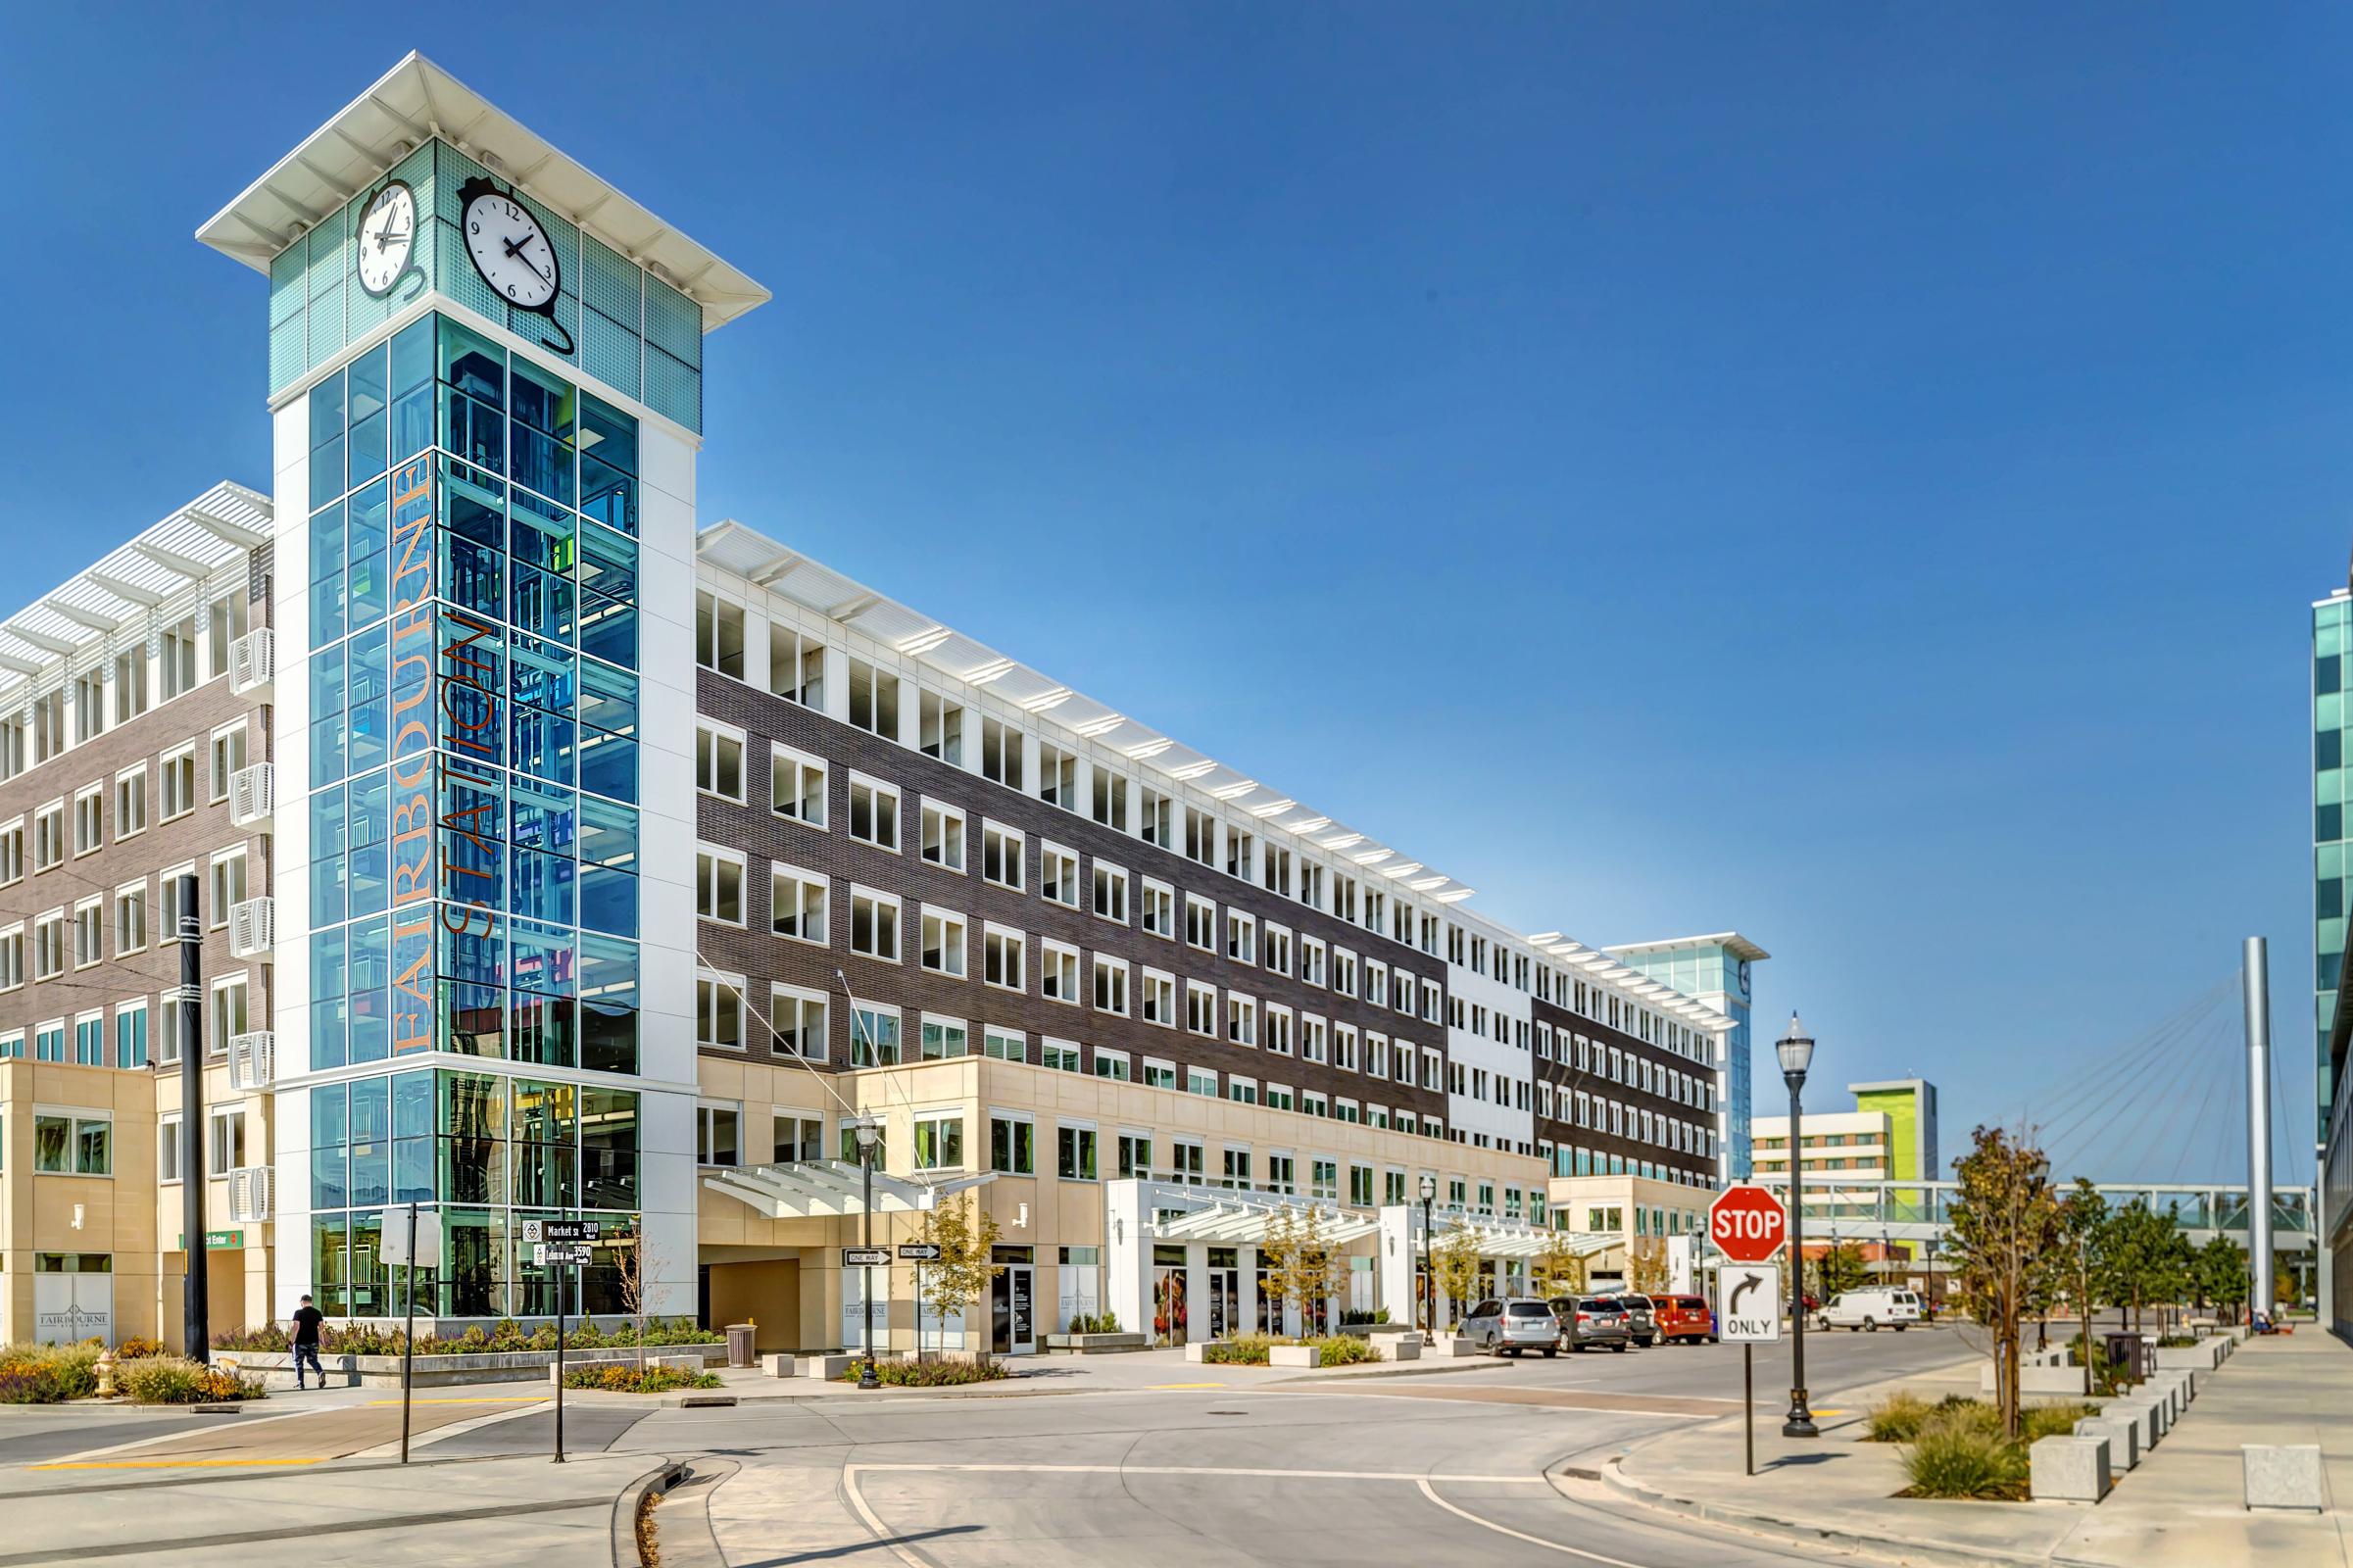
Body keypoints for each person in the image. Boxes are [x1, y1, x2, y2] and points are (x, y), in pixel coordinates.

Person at [291, 1294, 325, 1389]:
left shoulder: (298, 1313)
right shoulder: (317, 1313)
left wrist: (291, 1341)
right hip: (313, 1342)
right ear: (310, 1302)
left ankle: (300, 1383)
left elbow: (296, 1327)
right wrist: (321, 1340)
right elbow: (322, 1327)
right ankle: (320, 1372)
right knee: (312, 1360)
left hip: (300, 1342)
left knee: (298, 1362)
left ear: (302, 1302)